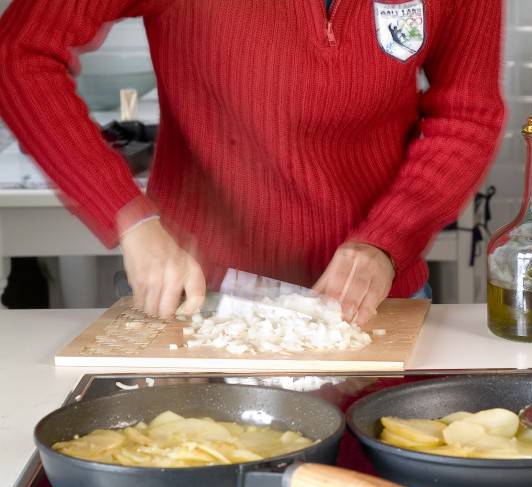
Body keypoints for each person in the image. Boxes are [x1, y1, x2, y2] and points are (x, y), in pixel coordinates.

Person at [0, 0, 504, 323]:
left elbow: (466, 116)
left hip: (373, 308)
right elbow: (19, 53)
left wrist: (386, 242)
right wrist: (131, 218)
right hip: (198, 305)